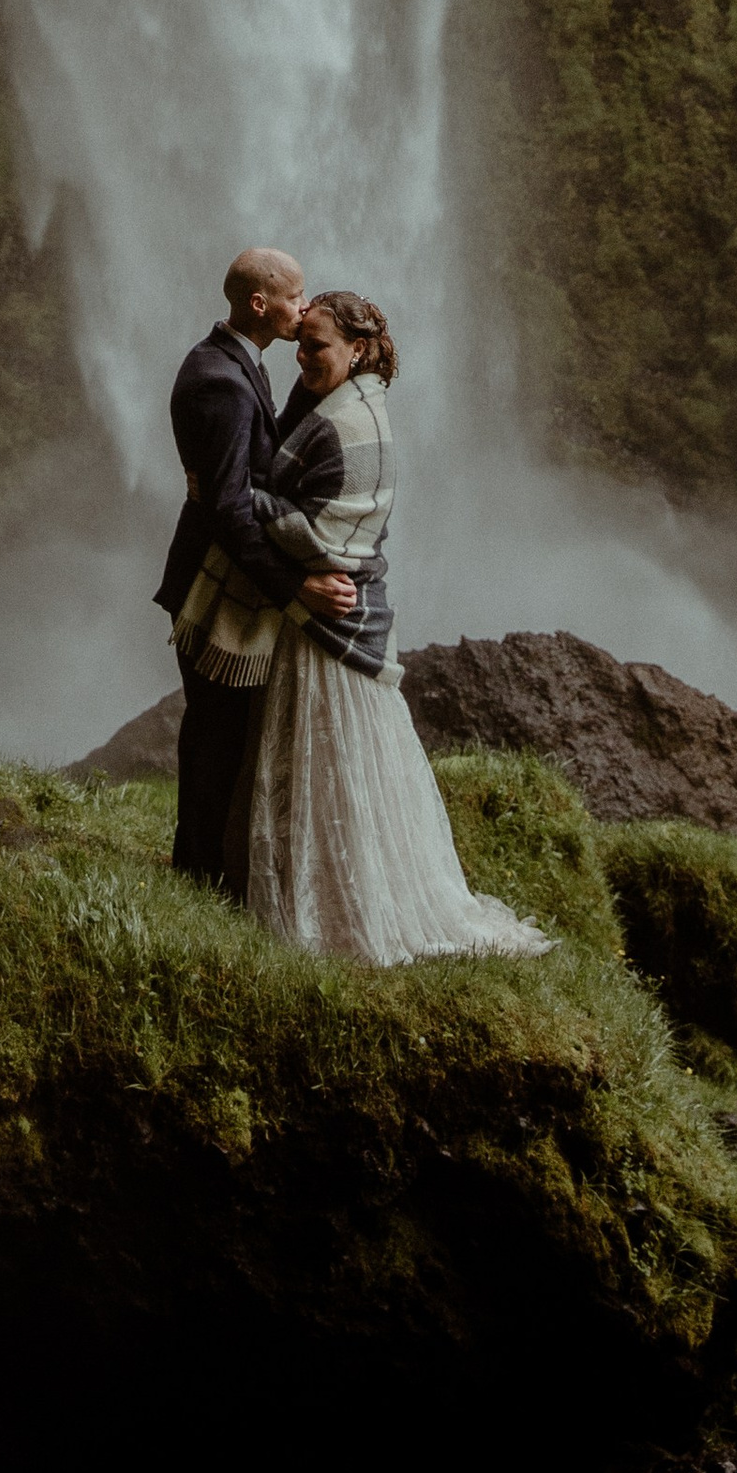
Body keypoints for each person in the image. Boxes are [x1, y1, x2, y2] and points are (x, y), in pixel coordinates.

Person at [243, 288, 550, 967]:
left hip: (332, 615)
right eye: (301, 341)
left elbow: (321, 527)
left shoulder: (347, 423)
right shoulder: (343, 401)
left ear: (358, 350)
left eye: (317, 345)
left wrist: (236, 491)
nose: (303, 356)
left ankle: (337, 908)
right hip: (331, 613)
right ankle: (318, 887)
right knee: (328, 766)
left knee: (332, 765)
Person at [155, 246, 356, 895]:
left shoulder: (234, 362)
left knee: (218, 733)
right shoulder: (224, 380)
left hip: (216, 573)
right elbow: (228, 506)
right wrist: (296, 588)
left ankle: (202, 868)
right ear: (260, 304)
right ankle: (200, 879)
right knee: (217, 738)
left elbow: (245, 473)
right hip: (210, 584)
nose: (307, 305)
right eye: (297, 296)